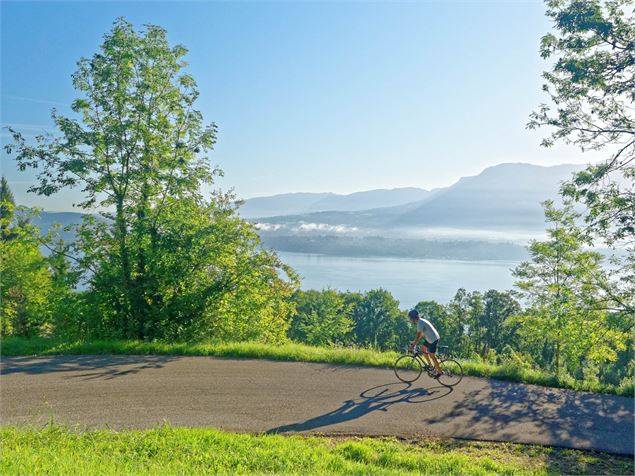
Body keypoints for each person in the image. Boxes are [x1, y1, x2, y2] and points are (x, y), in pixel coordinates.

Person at [408, 309, 443, 376]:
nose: (410, 320)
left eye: (410, 319)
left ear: (413, 318)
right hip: (430, 338)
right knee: (423, 349)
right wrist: (414, 342)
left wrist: (413, 345)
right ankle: (430, 366)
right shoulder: (421, 321)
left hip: (433, 339)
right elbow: (421, 334)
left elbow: (418, 335)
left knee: (432, 355)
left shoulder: (420, 323)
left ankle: (440, 371)